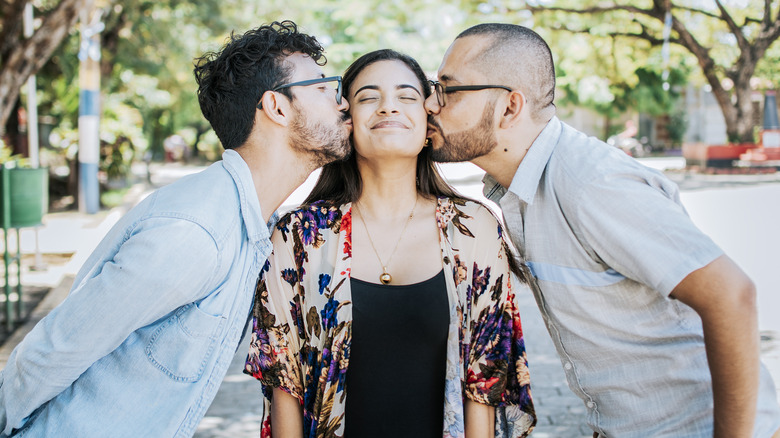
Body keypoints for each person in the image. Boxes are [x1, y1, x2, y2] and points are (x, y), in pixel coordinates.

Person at [424, 22, 780, 438]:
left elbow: (731, 295)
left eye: (448, 89)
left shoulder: (591, 184)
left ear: (509, 107)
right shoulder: (520, 187)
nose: (430, 103)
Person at [0, 20, 351, 437]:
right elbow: (53, 350)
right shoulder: (199, 231)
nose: (342, 102)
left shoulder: (252, 225)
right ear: (277, 107)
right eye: (323, 87)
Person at [244, 49, 536, 438]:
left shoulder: (472, 227)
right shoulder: (299, 235)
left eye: (406, 96)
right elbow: (284, 381)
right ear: (347, 121)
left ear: (428, 120)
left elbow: (485, 377)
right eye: (368, 97)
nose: (388, 107)